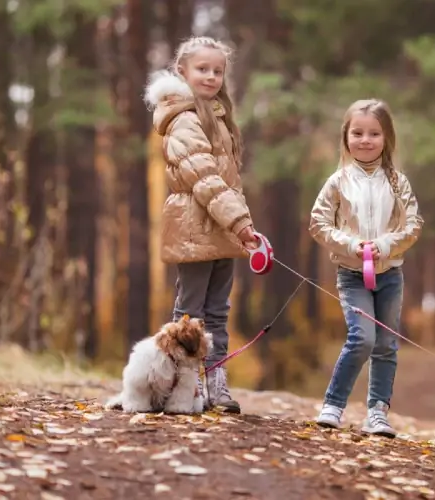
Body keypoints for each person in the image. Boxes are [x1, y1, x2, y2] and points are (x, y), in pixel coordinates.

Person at [144, 36, 259, 414]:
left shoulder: (218, 115)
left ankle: (216, 382)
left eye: (217, 70)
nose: (211, 77)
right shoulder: (182, 120)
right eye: (202, 69)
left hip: (222, 226)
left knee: (219, 311)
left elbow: (227, 182)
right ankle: (176, 383)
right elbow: (206, 179)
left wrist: (241, 224)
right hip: (195, 226)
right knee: (190, 313)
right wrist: (240, 222)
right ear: (183, 71)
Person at [309, 98, 424, 438]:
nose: (365, 140)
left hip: (389, 275)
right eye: (357, 133)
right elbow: (318, 224)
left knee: (386, 345)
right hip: (351, 274)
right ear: (346, 137)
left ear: (386, 138)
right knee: (362, 338)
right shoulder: (338, 181)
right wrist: (351, 245)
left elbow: (414, 224)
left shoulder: (398, 182)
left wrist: (385, 245)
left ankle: (377, 412)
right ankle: (333, 404)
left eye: (374, 133)